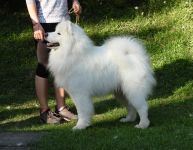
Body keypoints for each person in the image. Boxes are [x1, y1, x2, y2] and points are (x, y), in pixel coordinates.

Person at [25, 0, 81, 124]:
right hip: (44, 24)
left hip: (63, 21)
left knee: (62, 65)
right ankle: (44, 111)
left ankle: (61, 108)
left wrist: (75, 1)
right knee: (43, 65)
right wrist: (36, 24)